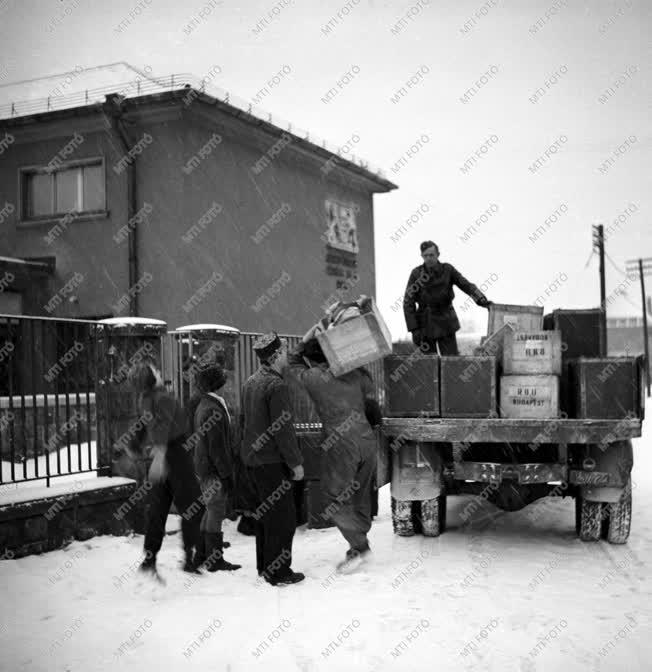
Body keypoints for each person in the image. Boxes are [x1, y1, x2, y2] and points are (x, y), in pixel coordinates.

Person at [286, 330, 380, 574]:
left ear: (312, 359)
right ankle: (357, 547)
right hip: (367, 439)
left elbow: (292, 361)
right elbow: (372, 398)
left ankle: (361, 546)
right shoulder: (356, 372)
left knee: (333, 499)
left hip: (341, 444)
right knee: (360, 496)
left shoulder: (314, 377)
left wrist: (306, 337)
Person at [126, 358, 203, 583]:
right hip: (175, 455)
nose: (159, 370)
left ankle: (149, 559)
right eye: (155, 369)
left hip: (164, 456)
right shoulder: (163, 398)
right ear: (152, 376)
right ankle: (189, 558)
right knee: (192, 505)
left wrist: (134, 444)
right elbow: (163, 425)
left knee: (158, 509)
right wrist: (160, 454)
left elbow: (145, 422)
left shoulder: (146, 398)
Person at [241, 332, 305, 586]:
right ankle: (279, 571)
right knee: (283, 518)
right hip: (272, 461)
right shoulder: (276, 386)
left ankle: (265, 566)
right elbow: (283, 430)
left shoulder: (250, 383)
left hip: (254, 461)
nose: (288, 355)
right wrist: (296, 463)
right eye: (285, 350)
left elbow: (244, 423)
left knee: (265, 515)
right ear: (276, 355)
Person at [190, 362, 241, 572]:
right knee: (216, 511)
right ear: (217, 384)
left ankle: (202, 555)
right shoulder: (213, 409)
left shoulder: (207, 404)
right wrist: (227, 476)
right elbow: (217, 449)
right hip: (213, 470)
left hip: (205, 467)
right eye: (223, 381)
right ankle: (214, 559)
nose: (227, 385)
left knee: (210, 509)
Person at [403, 240, 492, 355]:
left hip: (446, 322)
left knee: (451, 362)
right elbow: (408, 302)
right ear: (421, 256)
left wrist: (481, 299)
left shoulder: (448, 270)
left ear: (438, 255)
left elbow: (466, 285)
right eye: (425, 256)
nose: (429, 258)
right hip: (425, 324)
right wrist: (414, 329)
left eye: (431, 255)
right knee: (430, 365)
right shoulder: (416, 274)